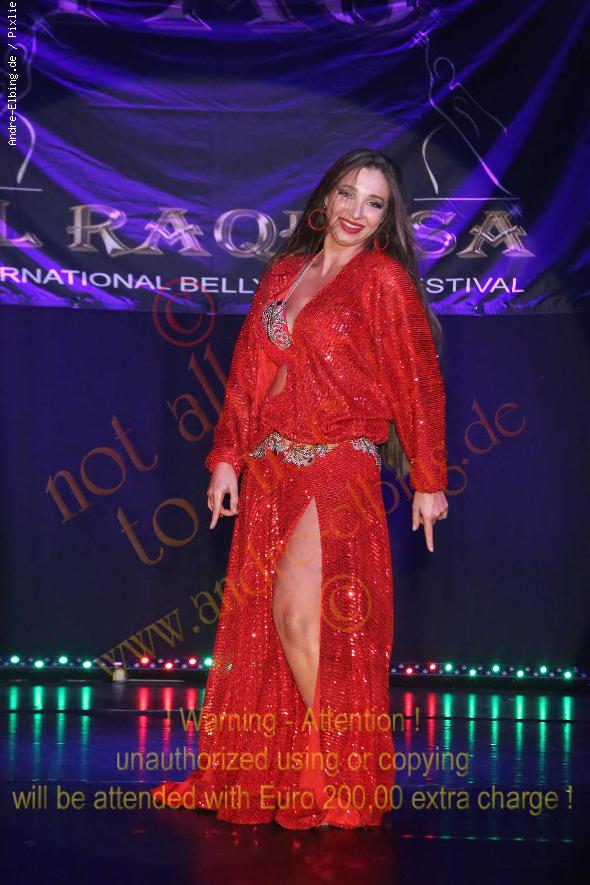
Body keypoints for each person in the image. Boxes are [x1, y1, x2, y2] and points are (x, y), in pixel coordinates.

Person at [151, 148, 449, 829]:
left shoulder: (381, 279)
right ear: (326, 198)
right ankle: (305, 764)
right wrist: (226, 458)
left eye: (374, 203)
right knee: (269, 627)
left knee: (295, 616)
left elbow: (417, 380)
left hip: (337, 464)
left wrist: (428, 479)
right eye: (347, 194)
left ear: (387, 219)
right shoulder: (285, 273)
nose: (356, 211)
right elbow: (247, 375)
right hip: (270, 468)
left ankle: (349, 766)